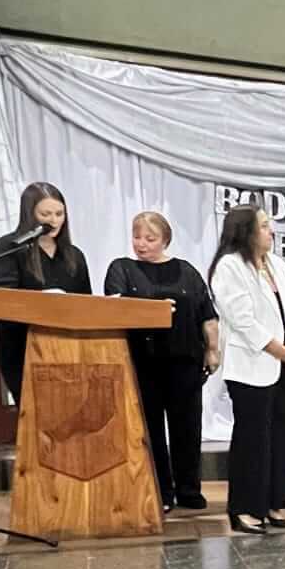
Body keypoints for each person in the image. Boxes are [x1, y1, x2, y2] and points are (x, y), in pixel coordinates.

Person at [104, 212, 218, 514]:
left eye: (150, 239)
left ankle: (189, 489)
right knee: (150, 429)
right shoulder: (122, 269)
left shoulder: (187, 271)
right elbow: (114, 307)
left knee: (187, 428)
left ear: (165, 240)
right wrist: (151, 309)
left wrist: (213, 350)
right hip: (144, 361)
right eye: (137, 237)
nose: (141, 244)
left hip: (185, 360)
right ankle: (160, 491)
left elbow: (207, 314)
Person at [208, 205, 285, 534]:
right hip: (251, 365)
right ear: (246, 231)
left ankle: (273, 502)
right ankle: (245, 508)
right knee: (253, 439)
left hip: (282, 364)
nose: (271, 231)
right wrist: (280, 350)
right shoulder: (229, 267)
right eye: (264, 226)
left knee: (282, 436)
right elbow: (243, 320)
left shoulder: (276, 264)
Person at [0, 182, 93, 401]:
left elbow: (86, 302)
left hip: (69, 348)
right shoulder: (9, 248)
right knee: (35, 411)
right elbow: (3, 300)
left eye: (59, 214)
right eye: (45, 214)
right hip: (23, 347)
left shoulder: (74, 255)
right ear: (29, 214)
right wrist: (43, 301)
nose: (54, 220)